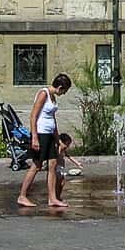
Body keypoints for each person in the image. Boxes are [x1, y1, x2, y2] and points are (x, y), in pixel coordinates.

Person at [17, 73, 73, 208]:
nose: (64, 94)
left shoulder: (53, 97)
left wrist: (58, 138)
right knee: (37, 165)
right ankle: (22, 196)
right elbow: (33, 116)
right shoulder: (44, 94)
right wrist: (34, 137)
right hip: (41, 134)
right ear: (60, 87)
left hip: (49, 134)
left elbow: (52, 120)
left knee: (53, 165)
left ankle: (52, 198)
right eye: (64, 91)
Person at [53, 132, 83, 202]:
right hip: (57, 167)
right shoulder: (58, 148)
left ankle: (58, 196)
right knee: (57, 182)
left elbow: (69, 156)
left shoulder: (63, 150)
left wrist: (77, 163)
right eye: (67, 144)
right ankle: (55, 196)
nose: (68, 146)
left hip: (62, 167)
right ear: (62, 142)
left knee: (62, 182)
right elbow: (55, 157)